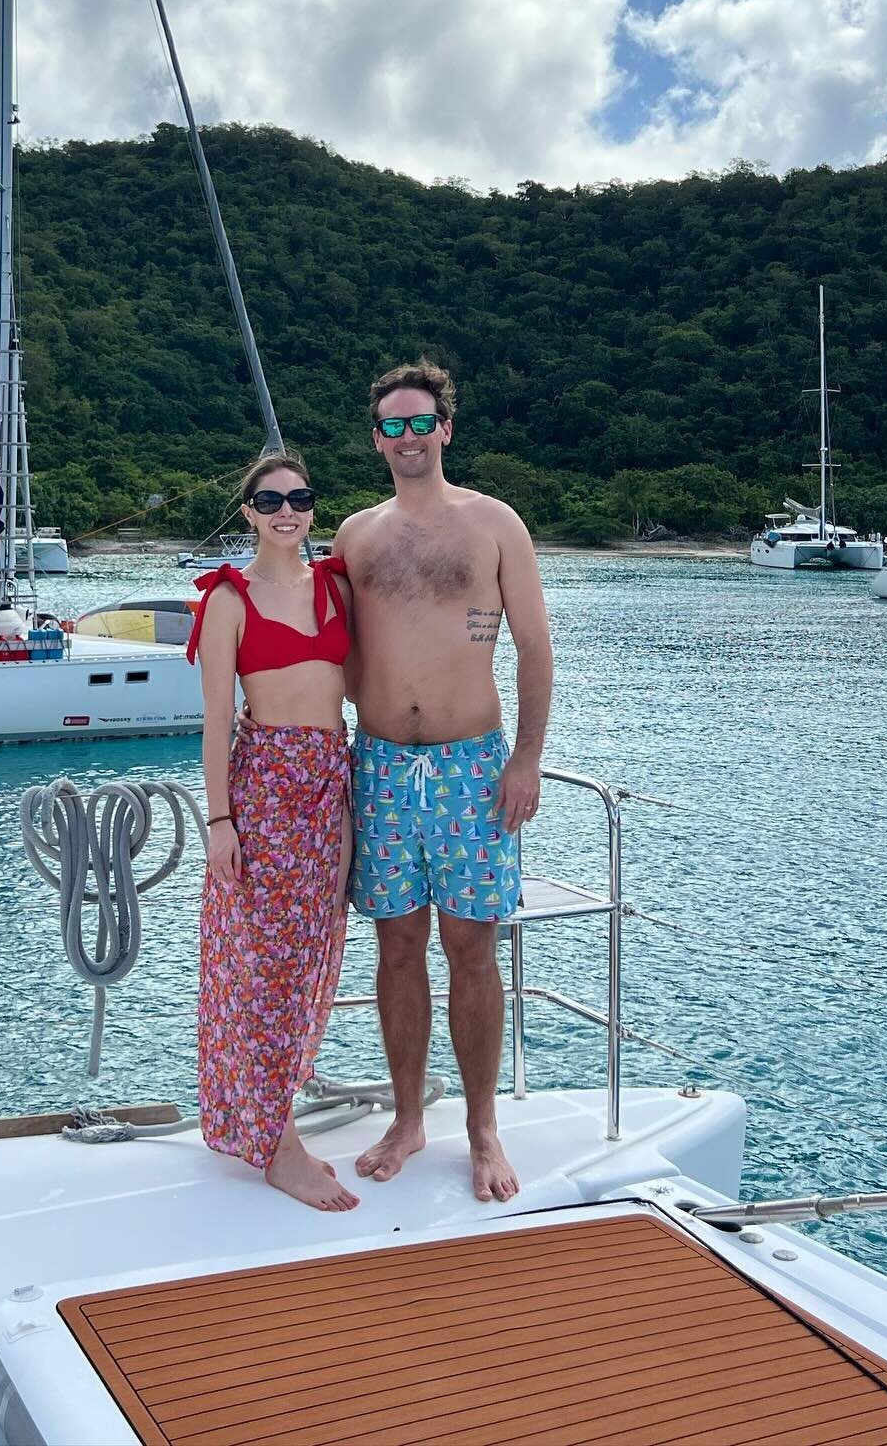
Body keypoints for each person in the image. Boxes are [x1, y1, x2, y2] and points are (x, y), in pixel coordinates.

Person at [334, 360, 553, 1202]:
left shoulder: (494, 523)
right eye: (391, 425)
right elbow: (328, 646)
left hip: (471, 767)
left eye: (419, 421)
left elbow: (533, 646)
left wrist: (526, 758)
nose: (407, 436)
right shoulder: (358, 535)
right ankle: (407, 1116)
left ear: (446, 428)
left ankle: (481, 1127)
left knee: (471, 947)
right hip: (382, 765)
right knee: (396, 946)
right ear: (377, 438)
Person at [187, 449, 359, 1211]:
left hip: (332, 784)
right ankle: (275, 1143)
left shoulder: (336, 587)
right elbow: (216, 723)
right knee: (263, 964)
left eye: (300, 497)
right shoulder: (229, 599)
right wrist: (219, 820)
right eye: (270, 500)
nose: (287, 510)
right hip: (265, 792)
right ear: (249, 511)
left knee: (317, 953)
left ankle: (273, 1109)